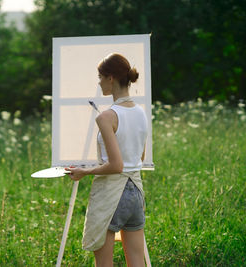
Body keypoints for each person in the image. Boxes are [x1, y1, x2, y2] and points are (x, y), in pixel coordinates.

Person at [65, 53, 148, 267]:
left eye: (100, 77)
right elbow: (140, 158)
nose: (99, 82)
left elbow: (116, 166)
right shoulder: (141, 113)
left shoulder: (106, 117)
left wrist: (84, 172)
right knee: (137, 261)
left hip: (113, 195)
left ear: (111, 78)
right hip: (136, 193)